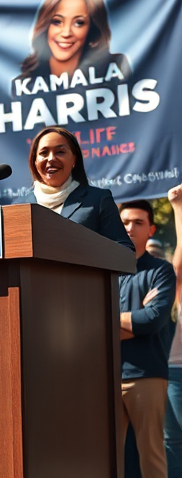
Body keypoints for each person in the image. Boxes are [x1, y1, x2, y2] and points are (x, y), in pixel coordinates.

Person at [115, 200, 176, 478]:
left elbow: (153, 320)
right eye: (125, 222)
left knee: (151, 456)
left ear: (151, 230)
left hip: (147, 375)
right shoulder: (103, 269)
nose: (130, 228)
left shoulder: (160, 271)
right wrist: (134, 319)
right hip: (106, 375)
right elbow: (88, 323)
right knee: (107, 457)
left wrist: (107, 319)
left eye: (138, 222)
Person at [24, 126, 133, 250]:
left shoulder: (97, 200)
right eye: (43, 153)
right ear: (34, 161)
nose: (51, 158)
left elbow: (124, 250)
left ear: (74, 159)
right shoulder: (19, 205)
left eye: (60, 152)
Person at [16, 0, 131, 88]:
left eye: (79, 23)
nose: (66, 33)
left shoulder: (115, 69)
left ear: (92, 30)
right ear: (46, 26)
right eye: (57, 21)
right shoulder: (24, 85)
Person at [164, 184, 182, 477]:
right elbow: (178, 268)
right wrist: (178, 208)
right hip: (174, 371)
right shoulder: (177, 285)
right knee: (173, 441)